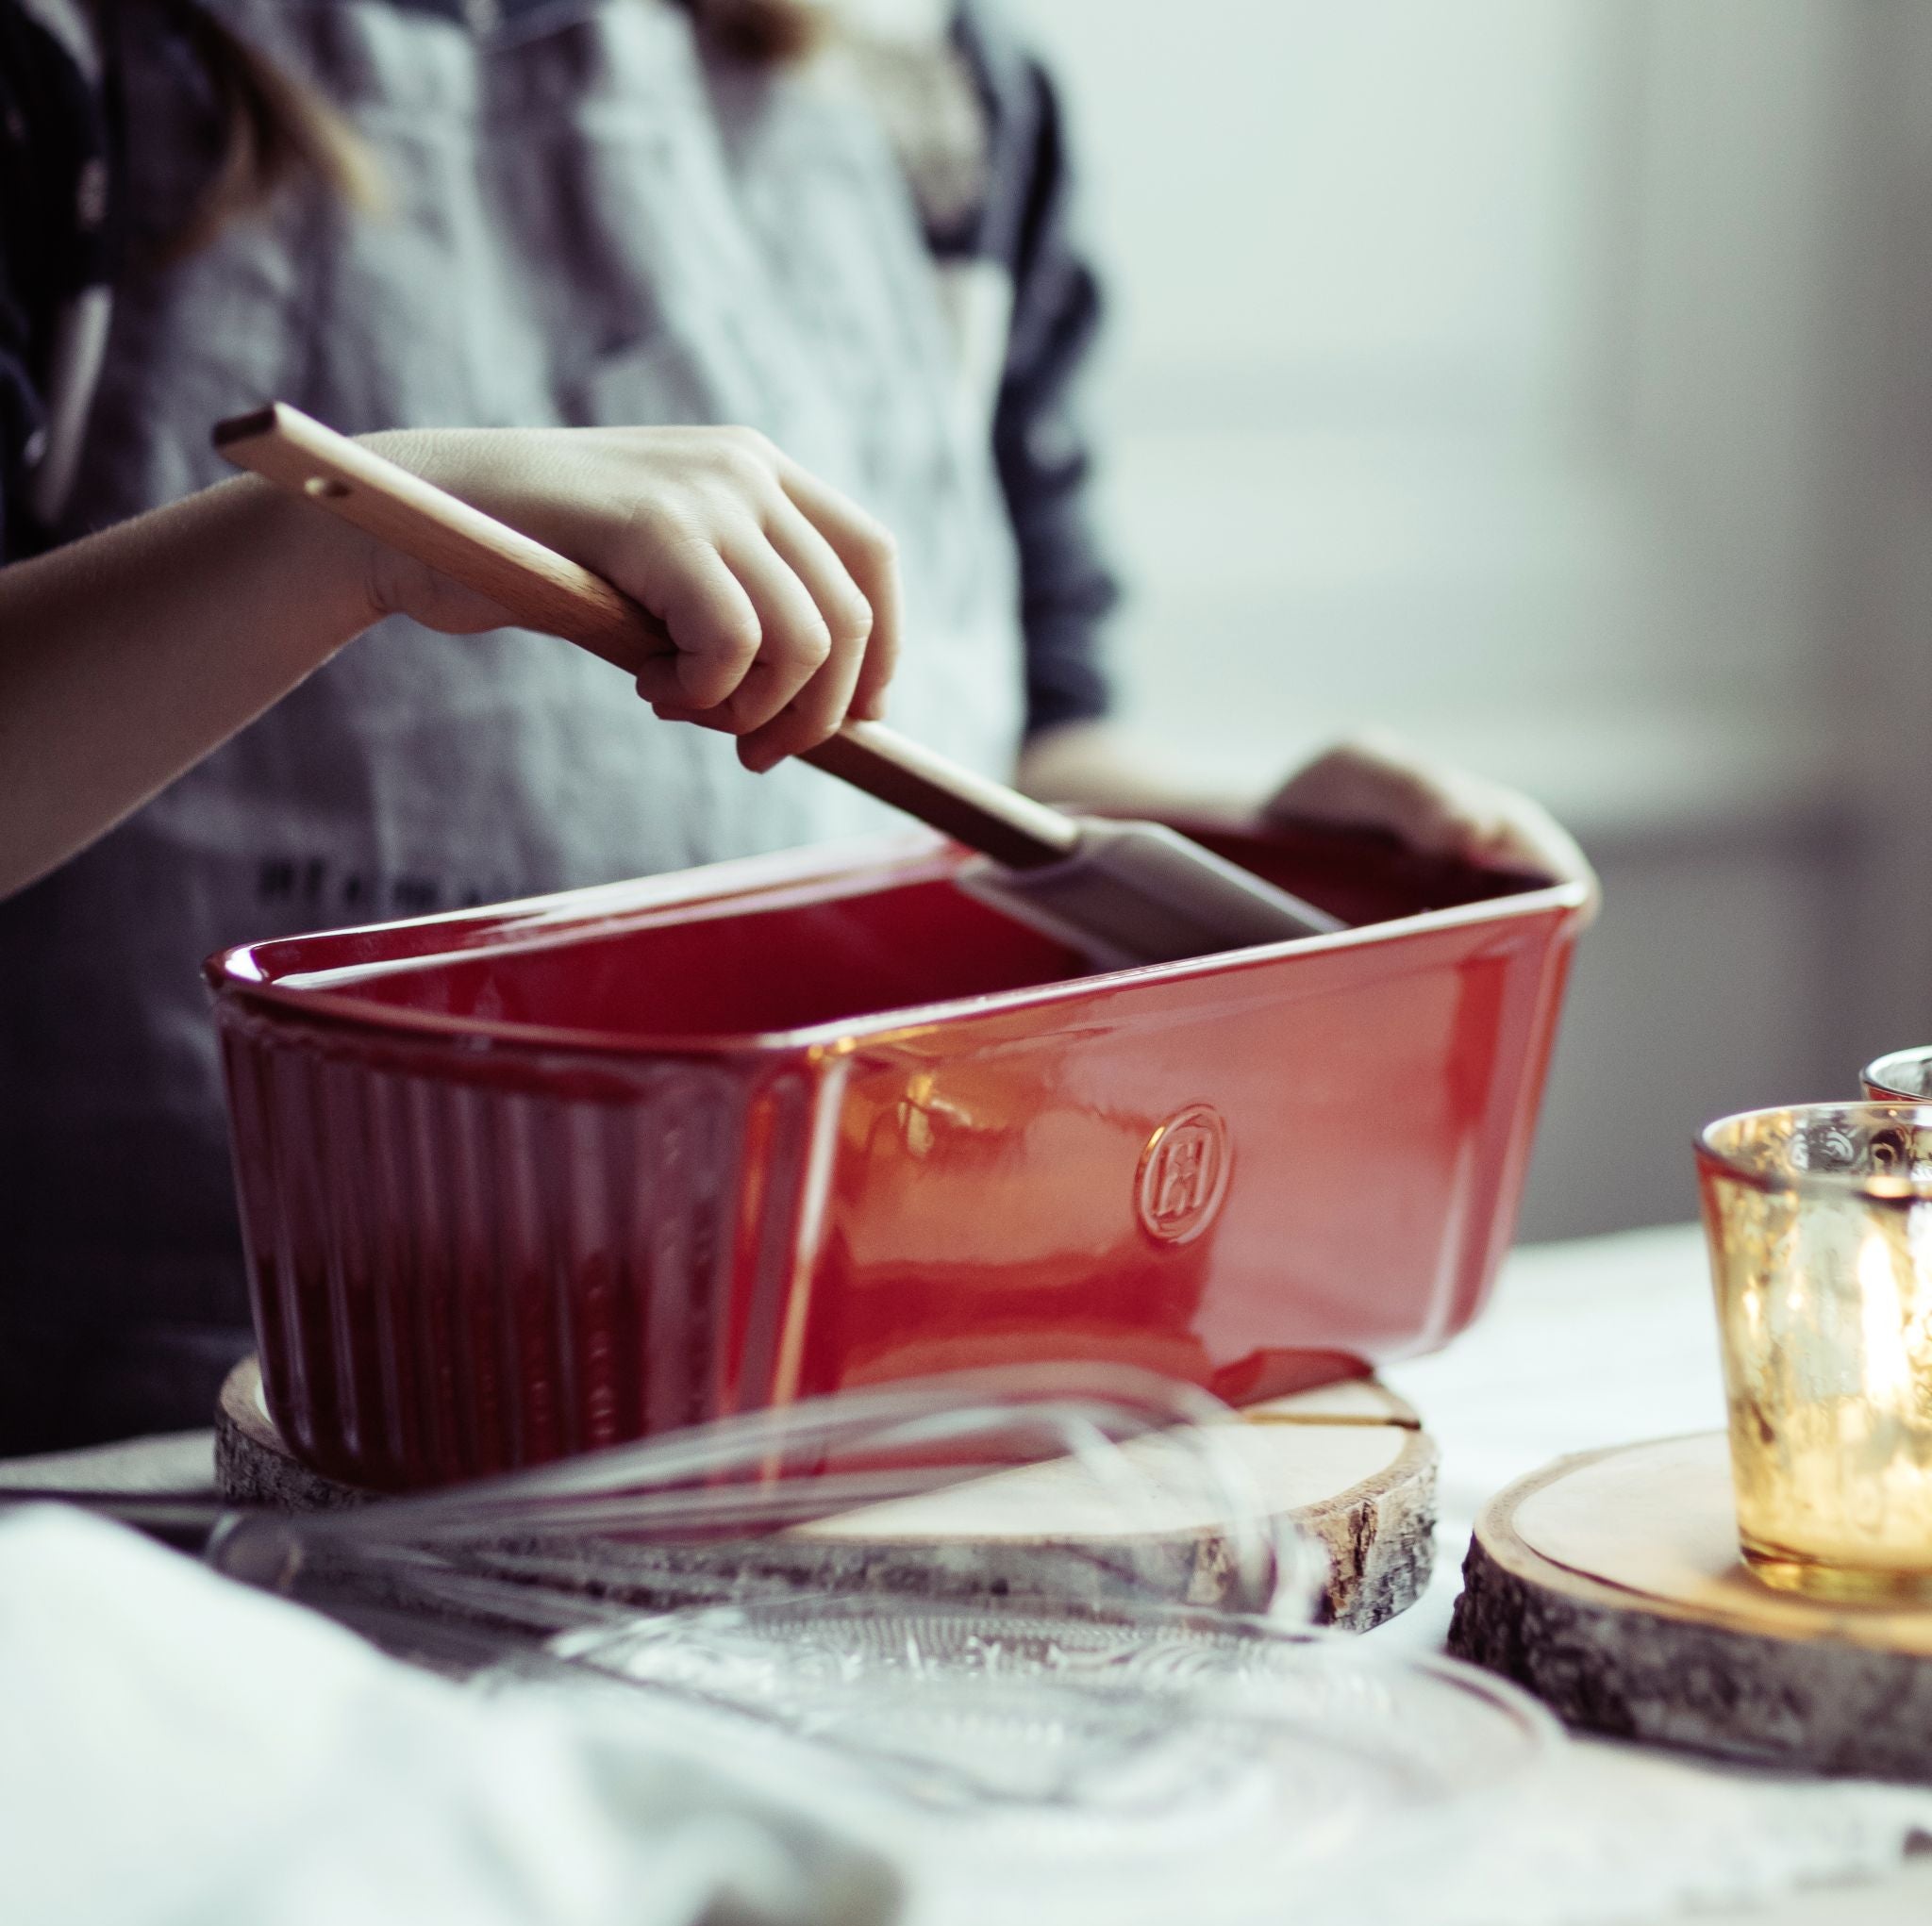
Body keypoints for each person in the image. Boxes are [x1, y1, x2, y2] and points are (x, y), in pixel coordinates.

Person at [0, 0, 1589, 1453]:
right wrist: (343, 540)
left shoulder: (950, 97)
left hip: (837, 1423)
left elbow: (1021, 750)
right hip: (163, 1474)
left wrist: (1264, 832)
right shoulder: (56, 68)